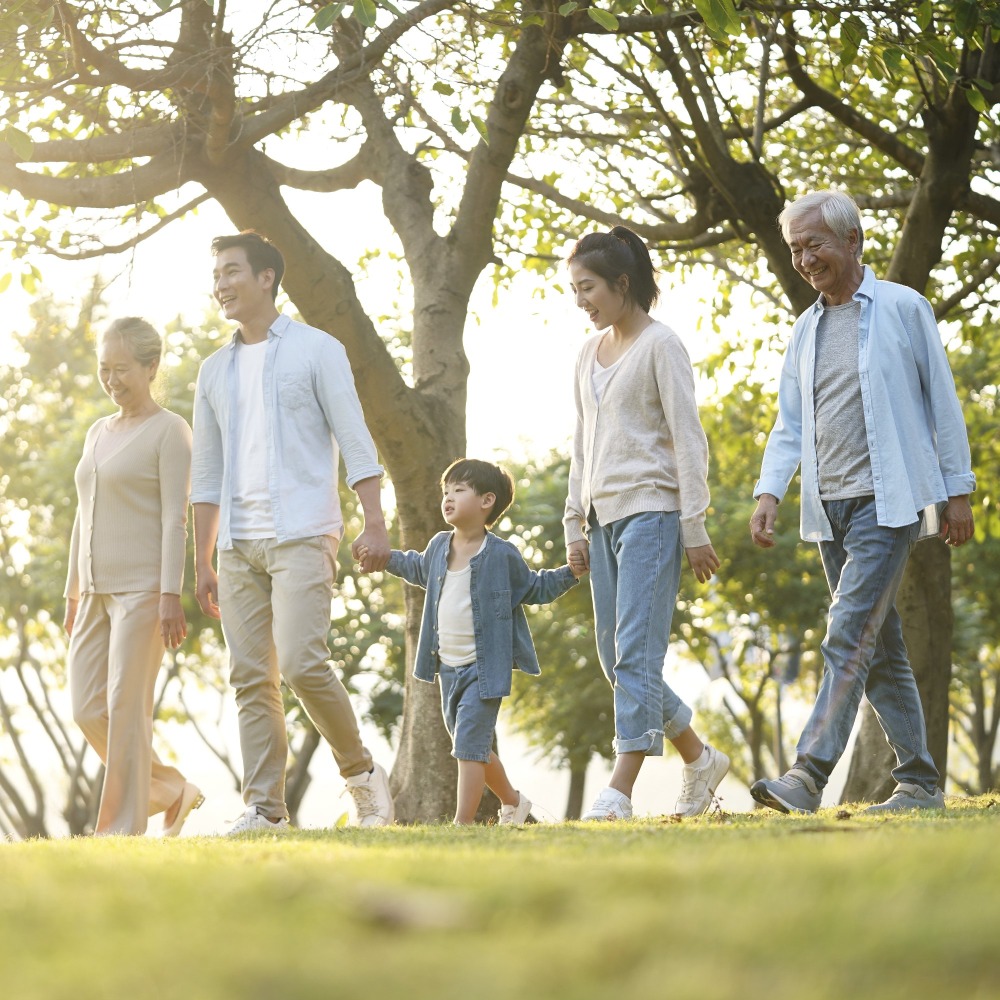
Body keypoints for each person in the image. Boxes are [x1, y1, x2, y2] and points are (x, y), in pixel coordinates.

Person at [749, 190, 975, 815]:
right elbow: (789, 423)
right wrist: (772, 490)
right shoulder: (806, 328)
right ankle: (922, 783)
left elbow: (943, 404)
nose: (804, 259)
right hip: (828, 509)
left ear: (852, 242)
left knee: (847, 633)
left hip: (888, 501)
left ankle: (807, 775)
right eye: (795, 249)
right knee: (880, 647)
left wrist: (959, 491)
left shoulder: (905, 308)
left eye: (813, 244)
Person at [192, 230, 394, 834]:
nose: (221, 284)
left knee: (304, 664)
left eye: (231, 271)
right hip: (237, 546)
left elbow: (355, 437)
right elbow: (206, 471)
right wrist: (201, 560)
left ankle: (361, 775)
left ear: (266, 278)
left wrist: (375, 518)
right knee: (251, 677)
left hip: (303, 530)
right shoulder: (212, 370)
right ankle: (267, 809)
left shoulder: (316, 349)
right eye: (216, 274)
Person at [563, 226, 729, 822]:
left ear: (622, 284)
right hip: (603, 518)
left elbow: (690, 438)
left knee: (635, 654)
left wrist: (694, 524)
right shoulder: (588, 353)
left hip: (654, 515)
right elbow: (583, 443)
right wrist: (573, 523)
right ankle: (699, 756)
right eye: (574, 289)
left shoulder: (663, 346)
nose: (581, 300)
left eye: (588, 288)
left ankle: (619, 791)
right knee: (615, 660)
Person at [368, 459, 583, 825]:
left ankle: (461, 824)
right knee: (474, 747)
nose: (448, 497)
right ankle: (514, 803)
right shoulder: (438, 547)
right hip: (446, 668)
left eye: (458, 490)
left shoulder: (501, 555)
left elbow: (535, 588)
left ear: (487, 501)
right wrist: (383, 557)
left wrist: (571, 572)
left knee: (467, 745)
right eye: (446, 491)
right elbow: (414, 566)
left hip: (484, 670)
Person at [64, 317, 203, 837]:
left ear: (151, 366)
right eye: (105, 368)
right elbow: (84, 513)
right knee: (85, 707)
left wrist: (172, 592)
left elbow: (175, 518)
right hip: (93, 590)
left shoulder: (170, 431)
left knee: (126, 707)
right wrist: (72, 591)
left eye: (122, 369)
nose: (112, 379)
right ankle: (170, 789)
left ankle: (119, 829)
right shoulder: (97, 431)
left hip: (145, 590)